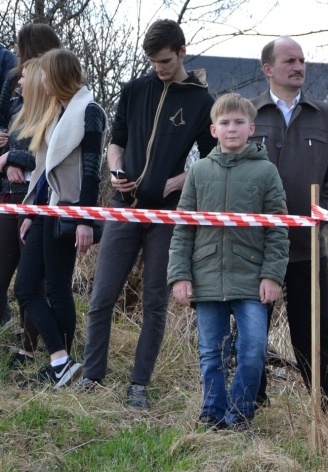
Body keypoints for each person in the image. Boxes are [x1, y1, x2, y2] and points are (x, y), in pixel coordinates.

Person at [74, 20, 216, 409]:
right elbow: (115, 141)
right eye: (153, 62)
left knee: (155, 301)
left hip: (167, 216)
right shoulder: (134, 89)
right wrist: (116, 168)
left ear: (182, 52)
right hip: (124, 210)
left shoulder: (203, 102)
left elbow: (210, 161)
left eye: (166, 61)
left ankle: (139, 385)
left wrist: (176, 184)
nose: (159, 68)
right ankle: (91, 375)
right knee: (102, 295)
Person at [168, 93, 289, 430]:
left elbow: (277, 231)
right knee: (212, 353)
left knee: (253, 349)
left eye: (238, 123)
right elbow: (183, 228)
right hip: (206, 277)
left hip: (252, 280)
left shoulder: (267, 172)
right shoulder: (199, 172)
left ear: (251, 128)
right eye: (225, 123)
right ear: (213, 129)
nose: (232, 129)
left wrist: (272, 276)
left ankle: (239, 412)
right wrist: (180, 275)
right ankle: (212, 413)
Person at [249, 36, 328, 410]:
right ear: (268, 69)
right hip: (256, 247)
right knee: (253, 329)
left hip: (307, 247)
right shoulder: (248, 113)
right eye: (289, 60)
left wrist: (326, 211)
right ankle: (249, 404)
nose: (299, 66)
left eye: (302, 60)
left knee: (314, 333)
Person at [14, 49, 106, 387]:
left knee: (56, 288)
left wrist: (84, 217)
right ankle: (61, 361)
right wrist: (29, 210)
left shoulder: (90, 111)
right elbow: (42, 170)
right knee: (25, 287)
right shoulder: (58, 111)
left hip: (68, 211)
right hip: (45, 209)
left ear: (59, 76)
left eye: (46, 74)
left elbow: (92, 169)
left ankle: (60, 362)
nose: (41, 80)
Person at [0, 24, 61, 368]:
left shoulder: (56, 86)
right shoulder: (13, 80)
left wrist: (13, 157)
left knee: (33, 279)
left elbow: (48, 145)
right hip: (10, 192)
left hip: (39, 193)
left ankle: (29, 348)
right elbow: (9, 128)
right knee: (7, 270)